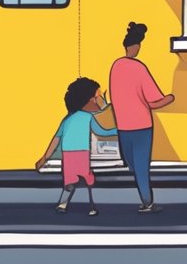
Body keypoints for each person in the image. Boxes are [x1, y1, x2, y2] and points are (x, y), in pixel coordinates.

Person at [109, 22, 174, 213]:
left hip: (123, 126)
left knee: (132, 164)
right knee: (141, 166)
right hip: (141, 126)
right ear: (137, 46)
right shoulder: (139, 68)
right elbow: (154, 102)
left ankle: (145, 199)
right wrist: (171, 98)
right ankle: (147, 201)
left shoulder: (116, 66)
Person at [35, 77, 119, 216]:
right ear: (88, 100)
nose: (100, 101)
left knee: (70, 182)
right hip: (82, 153)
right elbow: (101, 131)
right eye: (98, 97)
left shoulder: (67, 119)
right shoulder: (88, 118)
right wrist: (118, 130)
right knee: (88, 180)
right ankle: (91, 206)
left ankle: (63, 204)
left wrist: (45, 158)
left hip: (68, 154)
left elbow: (56, 139)